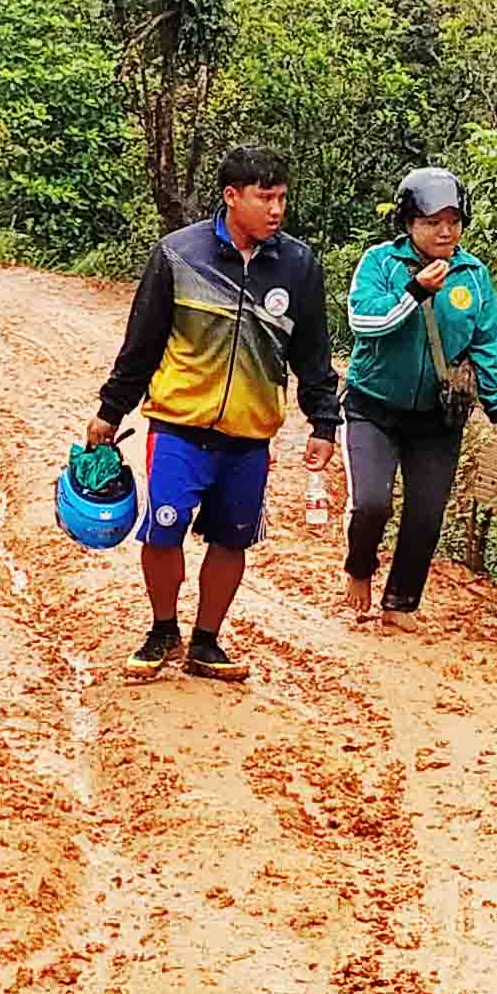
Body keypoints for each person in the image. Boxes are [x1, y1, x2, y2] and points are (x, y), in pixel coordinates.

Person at [85, 141, 342, 684]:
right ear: (231, 196)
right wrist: (111, 411)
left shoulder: (298, 266)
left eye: (282, 199)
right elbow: (143, 343)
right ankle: (162, 630)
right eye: (264, 197)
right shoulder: (179, 255)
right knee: (162, 531)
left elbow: (313, 353)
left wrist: (324, 422)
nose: (276, 210)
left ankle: (206, 642)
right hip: (177, 428)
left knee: (232, 539)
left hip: (250, 435)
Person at [338, 164, 497, 627]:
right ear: (408, 223)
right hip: (372, 406)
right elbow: (366, 323)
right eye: (432, 221)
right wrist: (415, 292)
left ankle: (400, 601)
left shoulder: (472, 276)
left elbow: (487, 342)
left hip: (437, 416)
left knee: (426, 512)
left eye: (453, 221)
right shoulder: (380, 264)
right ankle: (359, 567)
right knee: (372, 503)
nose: (444, 231)